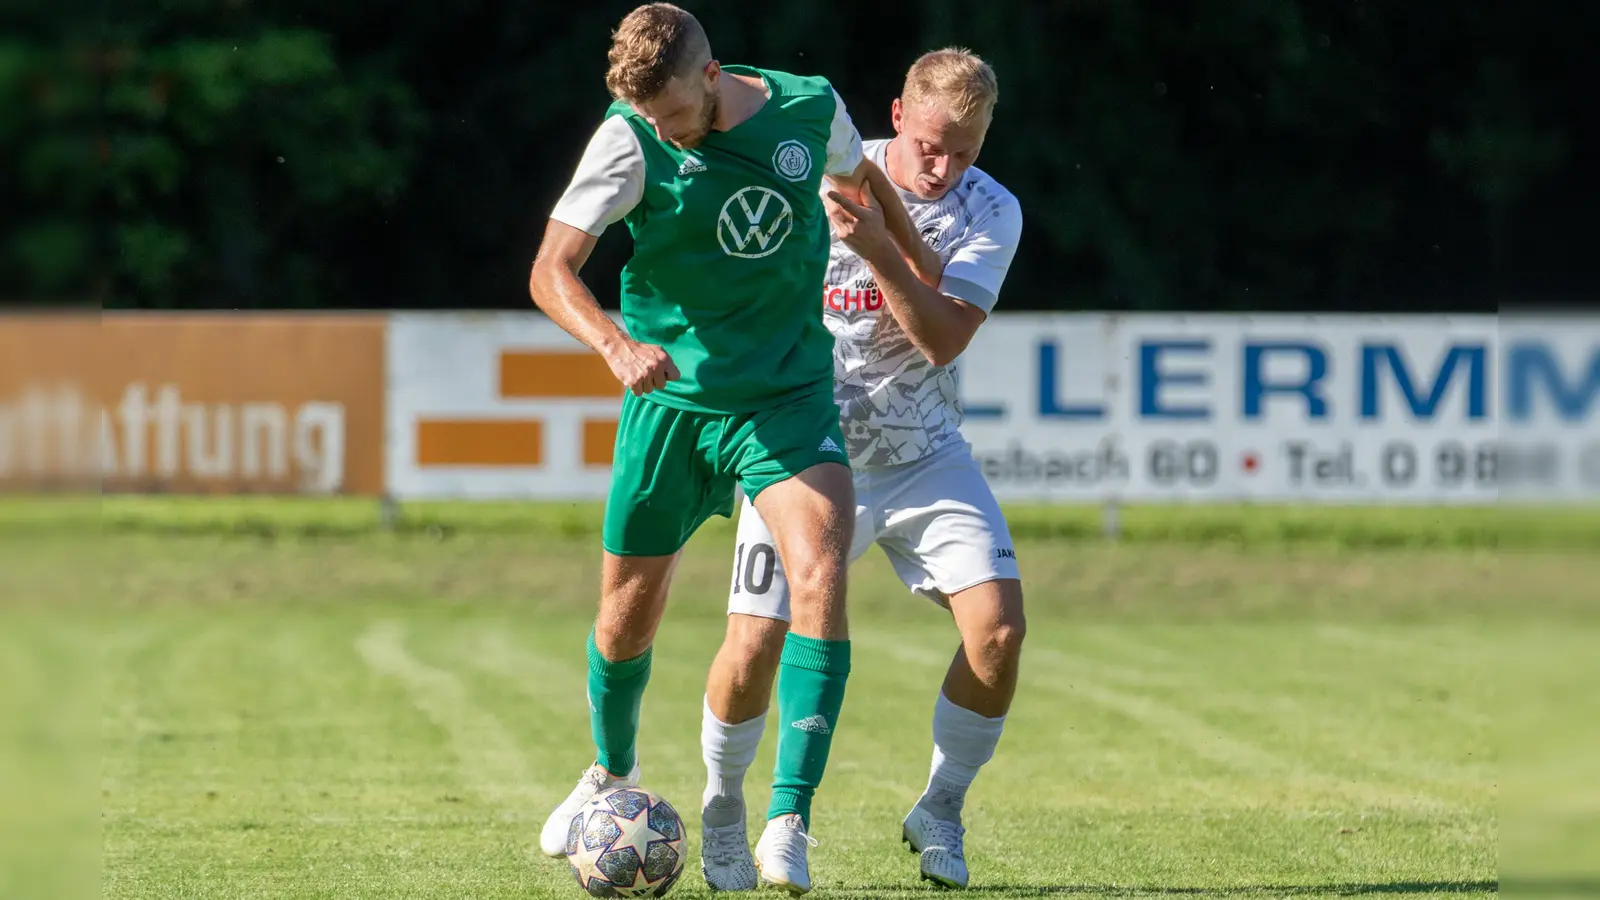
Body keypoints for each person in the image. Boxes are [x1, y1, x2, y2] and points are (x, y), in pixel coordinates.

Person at [526, 4, 935, 894]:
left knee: (820, 572)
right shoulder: (630, 139)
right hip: (669, 404)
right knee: (625, 616)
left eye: (675, 114)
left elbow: (864, 176)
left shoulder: (806, 108)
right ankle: (611, 769)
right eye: (653, 120)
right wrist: (616, 346)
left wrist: (914, 261)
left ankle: (781, 817)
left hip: (785, 399)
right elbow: (550, 269)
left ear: (711, 77)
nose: (667, 133)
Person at [698, 48, 1025, 891]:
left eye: (965, 148)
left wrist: (881, 250)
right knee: (754, 645)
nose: (943, 166)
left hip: (924, 455)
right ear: (896, 116)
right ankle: (723, 806)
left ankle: (940, 807)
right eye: (930, 144)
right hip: (804, 447)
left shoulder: (992, 211)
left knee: (998, 634)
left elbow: (945, 338)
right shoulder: (829, 170)